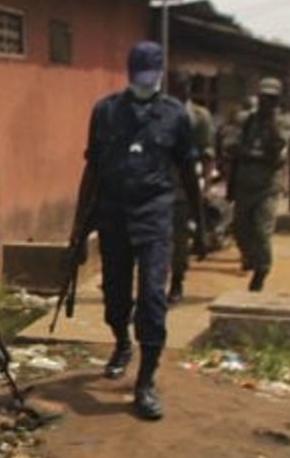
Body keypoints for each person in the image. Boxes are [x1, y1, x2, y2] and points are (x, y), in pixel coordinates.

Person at [68, 41, 200, 421]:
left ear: (159, 73)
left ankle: (145, 381)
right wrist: (77, 230)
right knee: (115, 299)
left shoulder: (175, 116)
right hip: (113, 217)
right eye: (139, 73)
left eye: (151, 73)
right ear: (129, 73)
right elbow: (91, 172)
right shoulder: (106, 112)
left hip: (155, 217)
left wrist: (199, 225)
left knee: (153, 301)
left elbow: (189, 174)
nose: (145, 80)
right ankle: (122, 343)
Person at [230, 77, 290, 292]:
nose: (267, 102)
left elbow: (277, 148)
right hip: (245, 183)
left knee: (261, 230)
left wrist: (270, 123)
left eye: (271, 98)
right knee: (239, 228)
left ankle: (262, 270)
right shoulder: (249, 121)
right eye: (264, 97)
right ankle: (249, 258)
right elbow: (235, 146)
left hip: (267, 186)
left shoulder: (283, 120)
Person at [166, 71, 214, 304]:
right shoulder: (158, 112)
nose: (176, 90)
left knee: (179, 238)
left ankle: (177, 280)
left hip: (184, 184)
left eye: (181, 87)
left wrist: (205, 184)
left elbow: (207, 153)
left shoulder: (199, 116)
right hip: (158, 185)